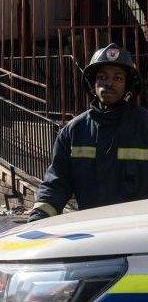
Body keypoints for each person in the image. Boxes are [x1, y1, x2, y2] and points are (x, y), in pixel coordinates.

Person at [30, 43, 148, 222]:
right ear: (93, 83)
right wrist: (39, 217)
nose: (109, 83)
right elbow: (57, 183)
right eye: (102, 77)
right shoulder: (74, 131)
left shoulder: (144, 126)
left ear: (128, 85)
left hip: (136, 234)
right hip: (92, 232)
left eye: (118, 78)